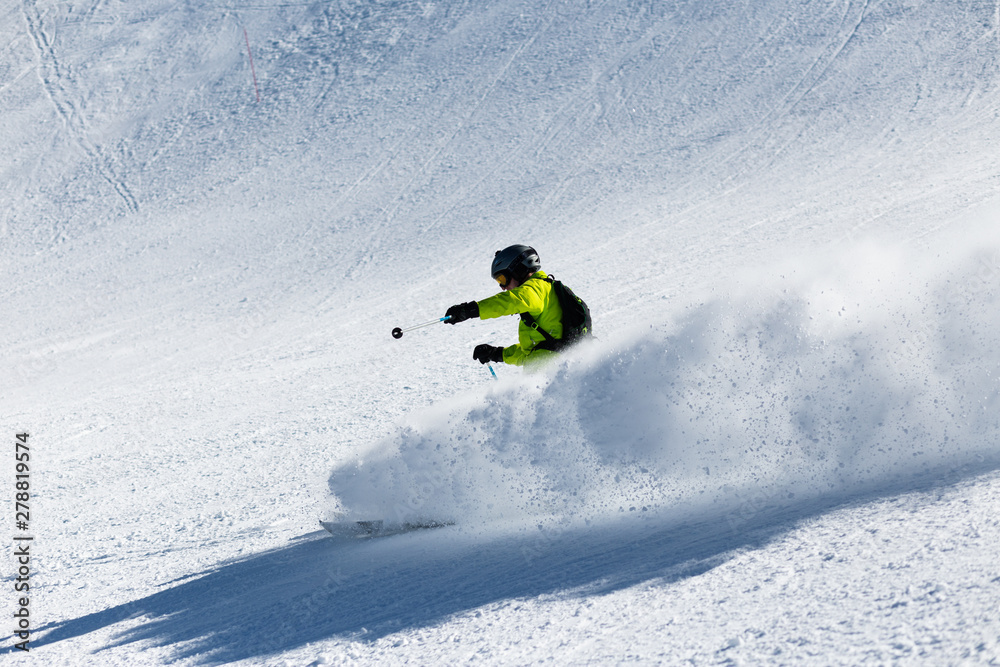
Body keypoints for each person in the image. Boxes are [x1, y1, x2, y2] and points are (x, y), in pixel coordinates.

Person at [444, 245, 563, 367]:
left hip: (546, 373)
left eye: (502, 279)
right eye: (498, 281)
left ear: (518, 270)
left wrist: (470, 310)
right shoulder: (544, 293)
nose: (502, 287)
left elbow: (511, 300)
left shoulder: (536, 288)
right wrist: (496, 353)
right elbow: (534, 352)